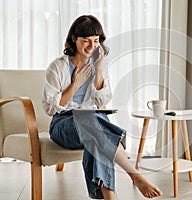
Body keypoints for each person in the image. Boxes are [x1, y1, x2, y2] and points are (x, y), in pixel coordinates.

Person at [42, 15, 162, 200]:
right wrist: (75, 84)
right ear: (74, 39)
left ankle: (110, 198)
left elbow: (102, 100)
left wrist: (98, 69)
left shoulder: (99, 65)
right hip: (63, 124)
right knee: (92, 124)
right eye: (86, 41)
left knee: (96, 138)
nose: (91, 46)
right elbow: (50, 107)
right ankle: (134, 175)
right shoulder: (57, 67)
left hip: (93, 124)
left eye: (96, 41)